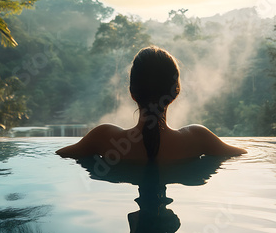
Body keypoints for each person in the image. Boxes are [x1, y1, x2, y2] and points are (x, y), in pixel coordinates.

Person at [56, 46, 246, 163]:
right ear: (175, 93)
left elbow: (59, 155)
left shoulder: (103, 138)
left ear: (132, 93)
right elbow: (242, 154)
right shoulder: (198, 139)